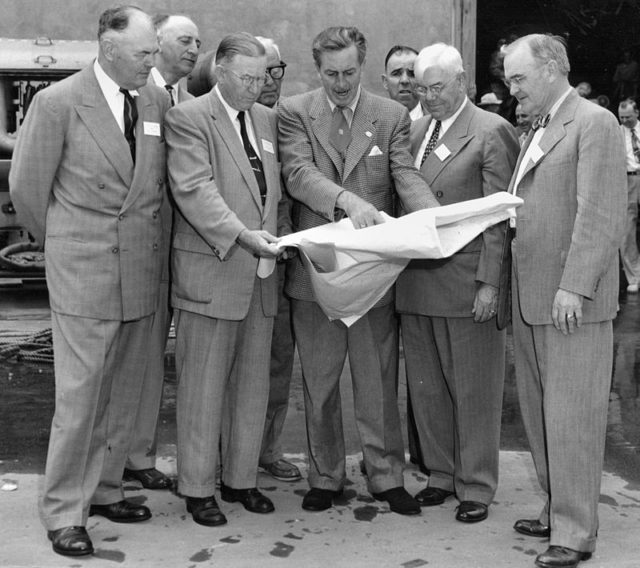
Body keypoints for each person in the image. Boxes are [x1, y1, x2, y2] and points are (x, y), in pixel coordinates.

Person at [9, 6, 170, 557]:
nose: (154, 63)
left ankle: (104, 489)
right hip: (85, 273)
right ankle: (63, 512)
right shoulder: (57, 103)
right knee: (79, 400)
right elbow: (28, 189)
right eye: (144, 53)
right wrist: (68, 247)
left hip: (139, 273)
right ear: (107, 48)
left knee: (124, 394)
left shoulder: (154, 99)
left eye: (154, 53)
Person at [278, 25, 439, 516]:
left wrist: (432, 218)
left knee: (378, 384)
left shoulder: (390, 115)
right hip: (316, 276)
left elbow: (404, 173)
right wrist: (347, 201)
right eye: (331, 74)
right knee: (320, 384)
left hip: (373, 276)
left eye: (349, 72)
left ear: (362, 66)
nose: (341, 83)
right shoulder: (294, 112)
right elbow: (299, 175)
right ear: (317, 68)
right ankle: (325, 476)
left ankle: (386, 477)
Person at [503, 34, 625, 568]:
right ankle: (558, 509)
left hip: (570, 299)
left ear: (552, 69)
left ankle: (575, 532)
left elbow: (600, 215)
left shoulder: (594, 123)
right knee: (542, 415)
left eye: (518, 79)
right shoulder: (541, 126)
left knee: (572, 417)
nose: (511, 92)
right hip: (534, 298)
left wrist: (574, 286)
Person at [165, 32, 289, 527]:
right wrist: (242, 236)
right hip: (214, 269)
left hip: (260, 277)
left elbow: (271, 190)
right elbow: (194, 189)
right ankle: (197, 488)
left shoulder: (266, 120)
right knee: (202, 388)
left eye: (263, 78)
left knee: (251, 387)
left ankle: (241, 480)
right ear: (220, 69)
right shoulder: (189, 119)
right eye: (246, 78)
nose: (255, 88)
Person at [396, 42, 519, 524]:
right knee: (427, 389)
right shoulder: (416, 129)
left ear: (462, 80)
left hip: (468, 283)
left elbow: (500, 215)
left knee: (473, 390)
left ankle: (476, 485)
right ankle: (441, 475)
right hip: (417, 281)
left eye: (438, 88)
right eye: (422, 89)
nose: (429, 98)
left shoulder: (492, 131)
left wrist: (491, 283)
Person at [123, 12, 200, 492]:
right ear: (157, 42)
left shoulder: (185, 102)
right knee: (133, 358)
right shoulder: (135, 93)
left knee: (156, 358)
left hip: (179, 249)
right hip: (140, 250)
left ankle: (139, 454)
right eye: (184, 40)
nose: (194, 49)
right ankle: (120, 459)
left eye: (198, 42)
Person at [249, 36, 302, 482]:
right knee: (241, 365)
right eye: (259, 73)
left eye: (275, 71)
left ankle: (267, 449)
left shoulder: (289, 119)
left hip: (288, 262)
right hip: (243, 259)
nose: (269, 81)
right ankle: (235, 452)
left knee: (279, 362)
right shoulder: (234, 120)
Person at [618, 99, 640, 293]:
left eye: (628, 117)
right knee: (626, 231)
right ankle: (634, 275)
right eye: (622, 117)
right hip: (628, 180)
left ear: (637, 113)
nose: (625, 120)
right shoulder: (617, 132)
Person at [381, 45, 425, 120]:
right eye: (396, 74)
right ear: (385, 82)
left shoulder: (437, 122)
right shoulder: (372, 125)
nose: (404, 80)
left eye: (412, 74)